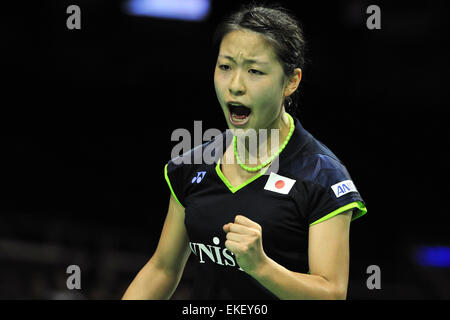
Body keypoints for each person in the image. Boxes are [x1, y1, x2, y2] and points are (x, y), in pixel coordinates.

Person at [122, 3, 367, 300]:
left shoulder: (321, 175)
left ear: (291, 81)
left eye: (254, 71)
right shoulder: (193, 164)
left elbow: (331, 293)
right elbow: (162, 269)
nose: (235, 85)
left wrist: (261, 267)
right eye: (225, 67)